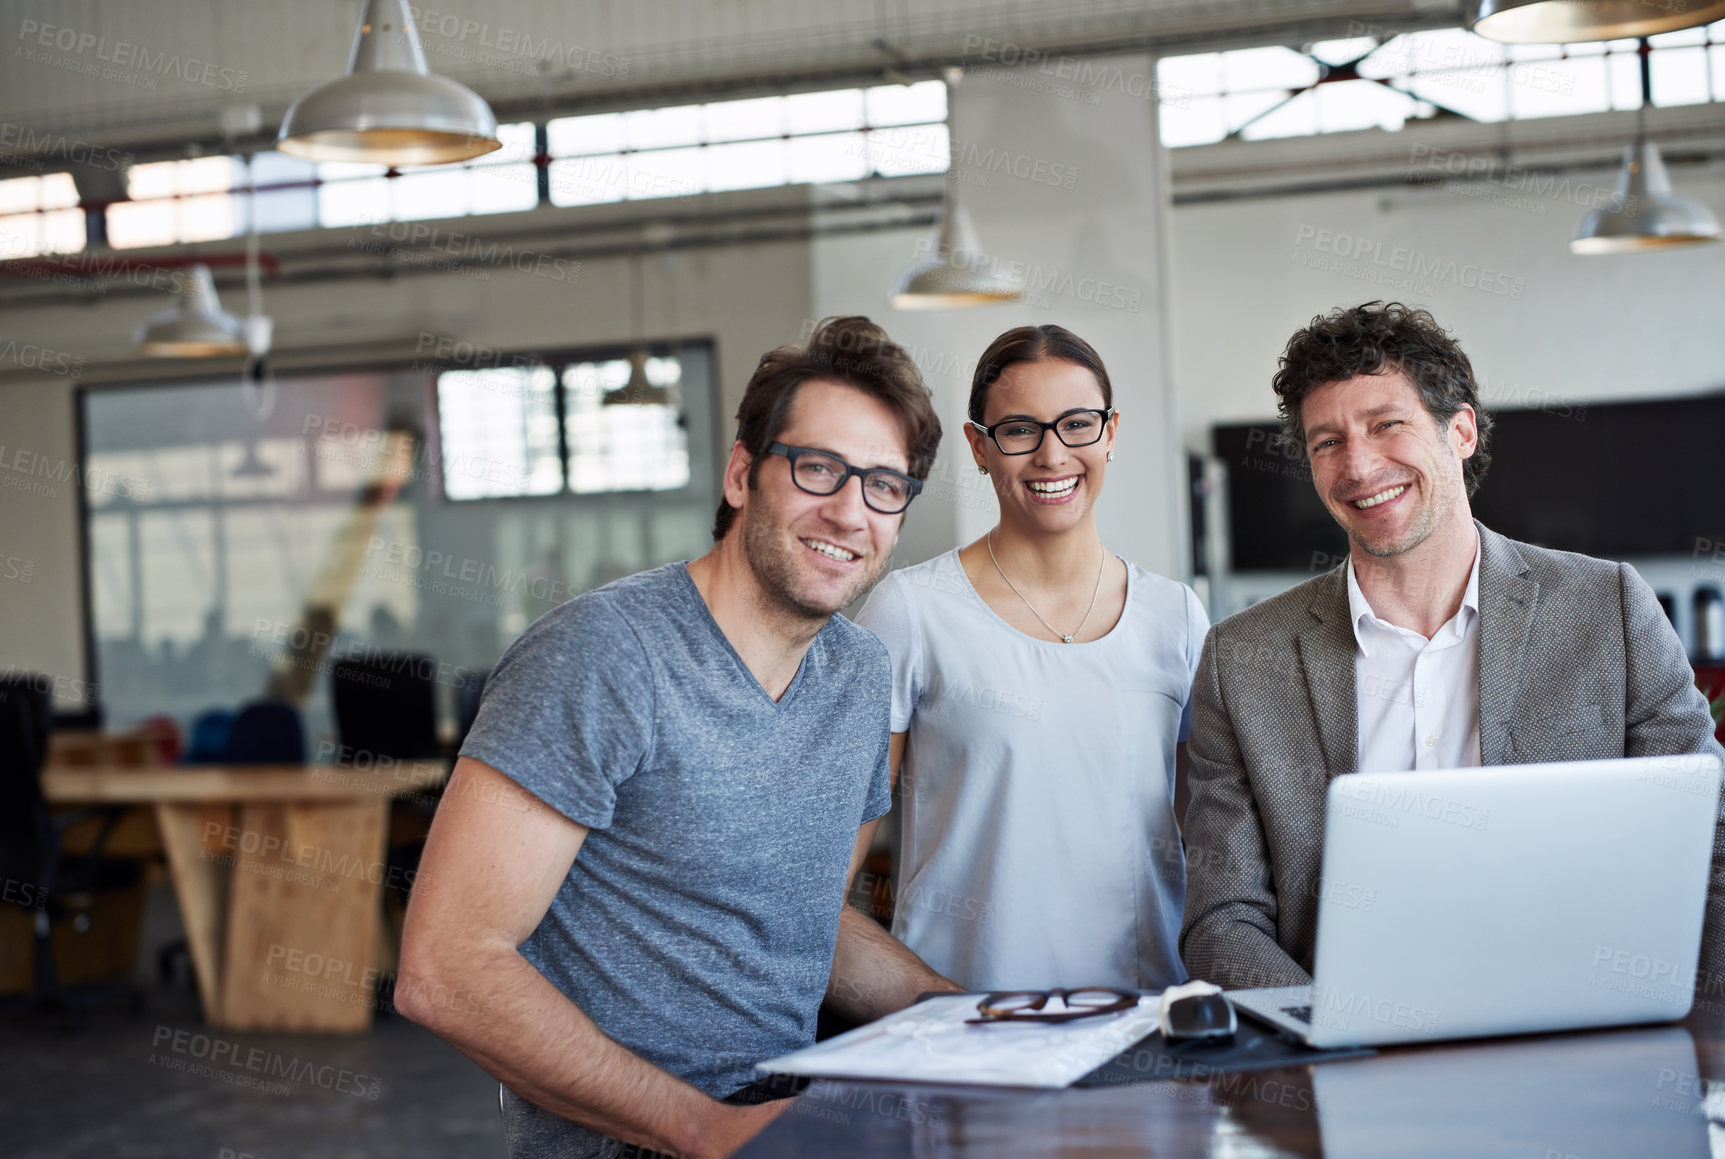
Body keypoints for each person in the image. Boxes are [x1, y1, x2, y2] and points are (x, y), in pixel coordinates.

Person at [396, 316, 960, 1159]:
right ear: (741, 474)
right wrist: (708, 1128)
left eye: (884, 485)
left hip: (786, 1112)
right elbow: (446, 969)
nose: (850, 511)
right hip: (634, 1139)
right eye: (818, 468)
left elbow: (803, 920)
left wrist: (961, 1011)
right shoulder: (600, 656)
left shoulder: (856, 674)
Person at [1178, 301, 1725, 992]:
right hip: (1343, 1060)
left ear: (1459, 430)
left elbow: (1710, 843)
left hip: (1583, 1029)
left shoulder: (1606, 609)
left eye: (1386, 425)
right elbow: (1221, 918)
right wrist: (1321, 1035)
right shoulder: (1241, 659)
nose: (1358, 464)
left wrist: (1687, 1021)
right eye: (1326, 442)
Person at [855, 324, 1208, 993]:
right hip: (968, 1028)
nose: (1051, 454)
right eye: (1019, 429)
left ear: (1109, 432)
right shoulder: (910, 612)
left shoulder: (1175, 616)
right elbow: (827, 876)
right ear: (978, 447)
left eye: (1077, 424)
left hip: (1145, 1024)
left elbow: (1213, 846)